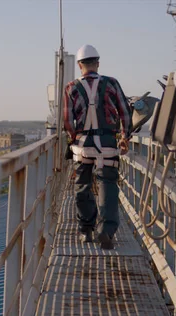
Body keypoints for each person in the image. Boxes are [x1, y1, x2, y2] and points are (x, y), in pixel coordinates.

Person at [63, 44, 131, 250]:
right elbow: (125, 113)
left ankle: (86, 231)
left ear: (79, 65)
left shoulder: (71, 87)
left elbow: (67, 120)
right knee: (107, 185)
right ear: (98, 63)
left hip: (83, 145)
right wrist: (124, 137)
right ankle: (106, 231)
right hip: (108, 145)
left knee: (82, 186)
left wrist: (74, 137)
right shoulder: (111, 83)